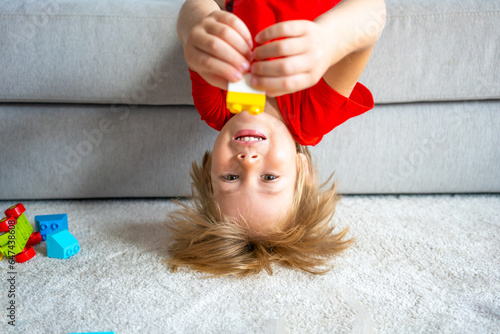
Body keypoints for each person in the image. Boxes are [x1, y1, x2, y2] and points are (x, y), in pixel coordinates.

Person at [167, 0, 386, 277]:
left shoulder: (217, 103)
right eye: (268, 178)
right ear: (302, 170)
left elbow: (197, 4)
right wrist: (330, 40)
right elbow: (373, 11)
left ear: (211, 173)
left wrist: (196, 27)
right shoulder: (312, 114)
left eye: (230, 178)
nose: (247, 162)